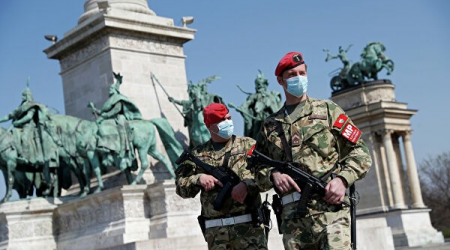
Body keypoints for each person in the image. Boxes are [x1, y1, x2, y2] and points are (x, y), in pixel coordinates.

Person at [254, 52, 372, 250]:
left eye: (302, 73)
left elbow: (361, 152)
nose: (298, 78)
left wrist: (342, 179)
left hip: (332, 212)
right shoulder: (269, 126)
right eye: (292, 74)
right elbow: (254, 167)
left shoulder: (328, 111)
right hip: (293, 221)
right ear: (280, 80)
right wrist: (272, 175)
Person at [175, 103, 268, 250]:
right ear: (210, 126)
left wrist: (247, 184)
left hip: (249, 230)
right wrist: (198, 179)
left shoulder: (248, 145)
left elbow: (266, 174)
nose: (228, 123)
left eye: (229, 118)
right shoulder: (198, 154)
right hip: (217, 234)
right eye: (221, 120)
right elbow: (181, 188)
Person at [0, 85, 59, 195]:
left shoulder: (32, 105)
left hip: (29, 127)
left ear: (28, 96)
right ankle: (17, 153)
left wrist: (18, 122)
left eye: (24, 95)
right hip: (20, 128)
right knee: (12, 137)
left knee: (24, 138)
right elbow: (9, 116)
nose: (23, 97)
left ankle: (24, 156)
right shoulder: (20, 107)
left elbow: (28, 117)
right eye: (22, 96)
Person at [89, 72, 142, 170]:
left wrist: (104, 116)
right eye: (110, 88)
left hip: (120, 118)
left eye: (112, 88)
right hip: (111, 118)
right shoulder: (110, 100)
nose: (110, 89)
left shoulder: (118, 98)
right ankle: (107, 146)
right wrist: (95, 110)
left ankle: (123, 148)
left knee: (107, 127)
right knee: (102, 126)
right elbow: (104, 111)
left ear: (115, 90)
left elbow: (116, 110)